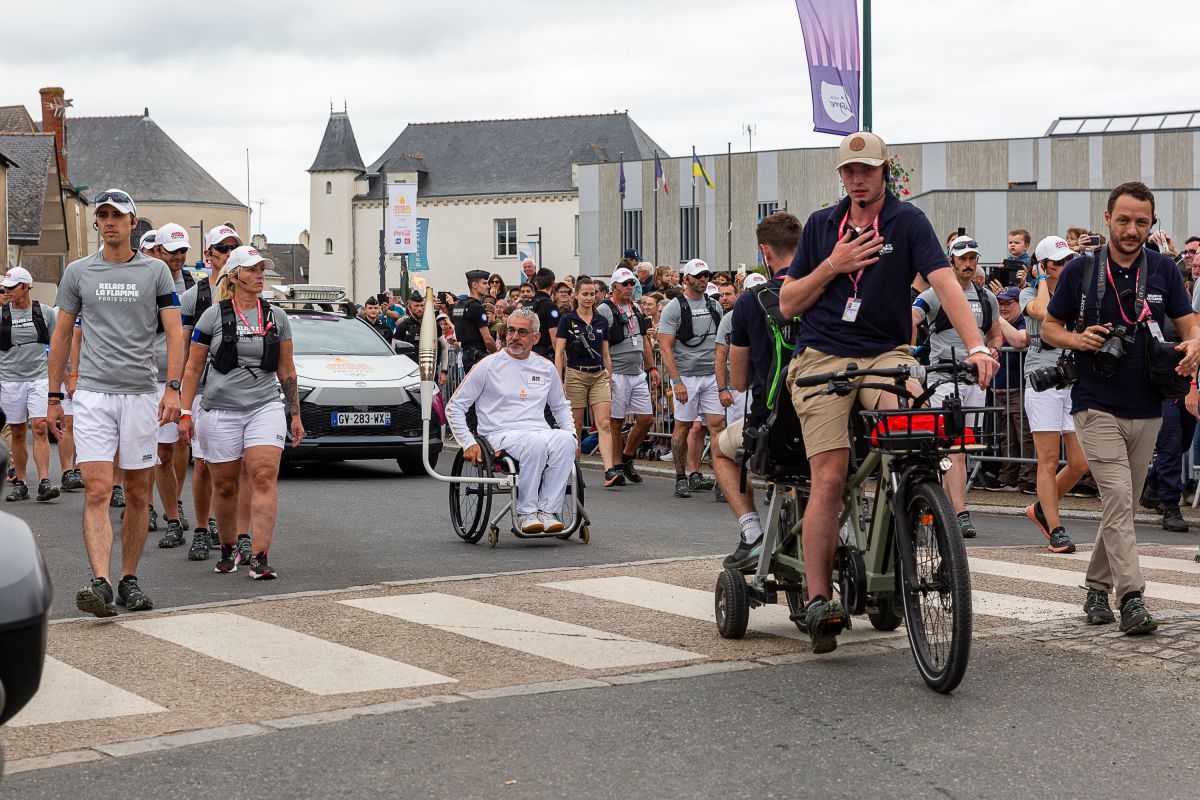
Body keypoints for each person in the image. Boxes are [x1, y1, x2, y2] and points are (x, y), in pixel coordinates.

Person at [779, 131, 996, 653]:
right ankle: (817, 600)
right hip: (824, 355)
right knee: (829, 476)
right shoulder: (819, 226)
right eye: (850, 172)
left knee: (914, 437)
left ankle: (908, 526)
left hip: (886, 353)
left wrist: (977, 346)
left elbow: (945, 281)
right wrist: (834, 265)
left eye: (868, 170)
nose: (859, 179)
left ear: (884, 174)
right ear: (841, 177)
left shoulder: (908, 221)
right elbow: (788, 303)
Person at [1042, 181, 1200, 635]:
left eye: (1142, 222)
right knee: (1117, 497)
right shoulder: (1080, 271)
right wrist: (1078, 339)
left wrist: (1193, 345)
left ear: (1152, 224)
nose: (1132, 230)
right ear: (1107, 218)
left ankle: (1095, 587)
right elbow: (1051, 327)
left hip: (1149, 402)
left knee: (1123, 507)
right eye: (1124, 220)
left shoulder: (1165, 271)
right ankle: (1131, 597)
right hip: (1095, 401)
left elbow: (1189, 323)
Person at [48, 189, 185, 617]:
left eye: (117, 216)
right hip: (92, 394)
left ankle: (128, 578)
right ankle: (101, 583)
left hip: (142, 394)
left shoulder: (156, 272)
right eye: (102, 215)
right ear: (97, 223)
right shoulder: (77, 273)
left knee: (139, 492)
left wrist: (174, 388)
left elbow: (176, 333)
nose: (109, 222)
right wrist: (55, 394)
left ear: (132, 222)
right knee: (99, 489)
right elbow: (62, 334)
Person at [179, 246, 303, 579]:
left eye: (262, 269)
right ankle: (229, 547)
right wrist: (185, 413)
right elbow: (192, 369)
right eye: (251, 270)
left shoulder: (277, 317)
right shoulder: (213, 316)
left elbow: (287, 370)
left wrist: (294, 413)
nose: (259, 274)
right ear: (234, 276)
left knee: (263, 476)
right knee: (226, 486)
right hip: (219, 409)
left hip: (264, 405)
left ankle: (260, 556)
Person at [718, 212, 801, 564]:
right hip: (830, 418)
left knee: (722, 452)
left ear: (766, 252)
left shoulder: (751, 301)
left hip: (774, 424)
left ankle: (752, 531)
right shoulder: (826, 289)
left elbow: (738, 381)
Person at [446, 307, 576, 533]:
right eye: (511, 331)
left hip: (537, 430)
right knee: (534, 444)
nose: (514, 337)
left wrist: (572, 433)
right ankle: (526, 513)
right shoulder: (488, 365)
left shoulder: (545, 367)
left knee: (565, 440)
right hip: (498, 434)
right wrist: (468, 442)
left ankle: (546, 510)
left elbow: (560, 406)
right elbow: (455, 406)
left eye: (522, 333)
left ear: (536, 337)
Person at [911, 236, 1003, 539]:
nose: (969, 264)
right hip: (943, 380)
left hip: (975, 382)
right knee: (952, 449)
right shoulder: (935, 294)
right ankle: (957, 512)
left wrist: (993, 350)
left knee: (961, 450)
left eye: (973, 258)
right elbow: (911, 316)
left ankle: (948, 510)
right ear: (951, 261)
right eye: (963, 258)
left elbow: (994, 334)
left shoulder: (986, 297)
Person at [1020, 235, 1091, 552]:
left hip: (1071, 381)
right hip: (1043, 380)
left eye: (1068, 260)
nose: (1066, 266)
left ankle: (1040, 508)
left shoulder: (1078, 294)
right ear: (1043, 265)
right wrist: (1040, 278)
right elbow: (1044, 311)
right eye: (1059, 262)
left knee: (1080, 462)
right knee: (1047, 461)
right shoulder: (1029, 292)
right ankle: (1056, 527)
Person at [179, 224, 242, 559]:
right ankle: (202, 529)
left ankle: (231, 527)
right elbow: (185, 353)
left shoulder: (248, 294)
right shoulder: (194, 297)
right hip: (204, 390)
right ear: (209, 255)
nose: (229, 254)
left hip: (238, 391)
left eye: (234, 247)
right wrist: (181, 398)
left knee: (236, 467)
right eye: (222, 249)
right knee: (203, 464)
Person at [658, 258, 724, 499]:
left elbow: (721, 342)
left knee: (718, 427)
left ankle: (720, 480)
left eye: (706, 275)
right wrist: (676, 381)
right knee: (683, 426)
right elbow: (665, 347)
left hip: (711, 376)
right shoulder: (674, 307)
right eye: (699, 276)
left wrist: (723, 379)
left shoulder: (715, 306)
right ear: (686, 279)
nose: (704, 279)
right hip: (687, 375)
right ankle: (680, 478)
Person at [146, 223, 194, 548]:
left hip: (171, 381)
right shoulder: (145, 280)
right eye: (172, 250)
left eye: (183, 251)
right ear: (158, 250)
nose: (178, 256)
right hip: (142, 379)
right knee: (139, 450)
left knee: (168, 450)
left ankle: (172, 513)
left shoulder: (191, 285)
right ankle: (145, 505)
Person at [0, 267, 60, 502]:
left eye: (12, 287)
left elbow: (58, 347)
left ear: (26, 287)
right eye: (5, 287)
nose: (7, 291)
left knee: (39, 426)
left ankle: (44, 481)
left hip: (38, 378)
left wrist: (65, 379)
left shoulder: (45, 313)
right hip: (9, 380)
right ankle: (21, 482)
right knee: (16, 432)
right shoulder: (2, 314)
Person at [554, 277, 621, 486]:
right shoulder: (567, 319)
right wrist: (559, 380)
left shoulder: (601, 320)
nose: (589, 298)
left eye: (592, 294)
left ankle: (609, 470)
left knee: (605, 423)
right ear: (576, 295)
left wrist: (609, 377)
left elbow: (606, 354)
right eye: (585, 294)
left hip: (599, 374)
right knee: (576, 425)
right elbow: (559, 353)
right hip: (576, 374)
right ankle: (574, 470)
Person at [596, 267, 658, 484]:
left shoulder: (637, 309)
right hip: (617, 373)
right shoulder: (604, 309)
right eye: (625, 285)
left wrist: (652, 368)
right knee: (616, 421)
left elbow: (644, 339)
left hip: (637, 372)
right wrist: (605, 373)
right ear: (614, 287)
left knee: (646, 419)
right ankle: (614, 468)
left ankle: (627, 457)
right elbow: (599, 342)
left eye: (632, 284)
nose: (630, 288)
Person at [982, 285, 1035, 494]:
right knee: (1006, 435)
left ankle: (1029, 476)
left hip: (1018, 388)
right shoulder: (997, 325)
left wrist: (997, 317)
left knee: (1025, 435)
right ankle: (1008, 474)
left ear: (1019, 304)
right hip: (999, 389)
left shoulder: (1023, 321)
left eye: (1007, 304)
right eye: (999, 303)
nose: (1003, 308)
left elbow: (1019, 341)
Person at [450, 270, 499, 373]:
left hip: (466, 356)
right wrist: (497, 356)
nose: (488, 286)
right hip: (478, 356)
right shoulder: (477, 307)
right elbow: (488, 340)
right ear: (474, 285)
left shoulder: (459, 305)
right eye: (484, 283)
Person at [527, 268, 560, 360]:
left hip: (526, 353)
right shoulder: (550, 306)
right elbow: (555, 340)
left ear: (536, 284)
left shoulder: (527, 304)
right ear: (553, 283)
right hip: (544, 356)